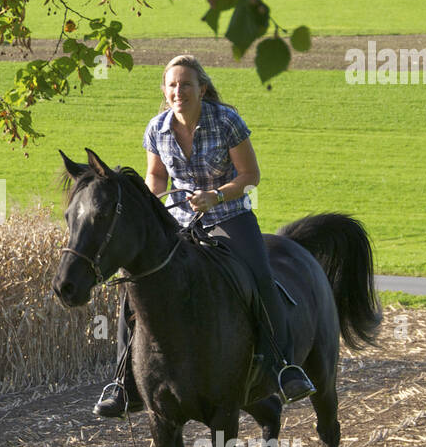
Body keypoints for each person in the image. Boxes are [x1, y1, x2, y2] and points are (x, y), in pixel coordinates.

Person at [94, 54, 316, 418]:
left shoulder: (226, 121)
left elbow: (249, 175)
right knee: (134, 285)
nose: (178, 91)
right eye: (172, 85)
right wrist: (151, 207)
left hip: (228, 215)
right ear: (164, 91)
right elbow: (157, 176)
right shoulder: (157, 128)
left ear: (202, 88)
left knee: (260, 278)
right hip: (178, 221)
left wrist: (215, 196)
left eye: (185, 84)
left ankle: (284, 367)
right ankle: (123, 384)